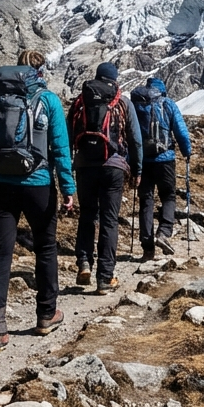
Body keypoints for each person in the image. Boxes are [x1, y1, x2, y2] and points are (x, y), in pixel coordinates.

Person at [0, 51, 75, 355]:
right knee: (45, 247)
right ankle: (46, 314)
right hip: (38, 184)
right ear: (40, 70)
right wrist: (68, 186)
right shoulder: (48, 100)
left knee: (0, 253)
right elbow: (60, 148)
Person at [67, 62, 141, 295]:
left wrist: (67, 167)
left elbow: (68, 135)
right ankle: (105, 278)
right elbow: (135, 139)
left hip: (84, 165)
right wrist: (137, 170)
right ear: (115, 79)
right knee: (109, 220)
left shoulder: (81, 101)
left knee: (87, 215)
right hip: (113, 167)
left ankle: (84, 263)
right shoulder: (122, 102)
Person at [130, 77, 192, 261]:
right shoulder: (167, 103)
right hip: (165, 159)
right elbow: (180, 130)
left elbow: (130, 132)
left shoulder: (136, 105)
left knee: (146, 201)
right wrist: (187, 151)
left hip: (143, 161)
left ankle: (147, 247)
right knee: (168, 196)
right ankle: (164, 233)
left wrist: (131, 160)